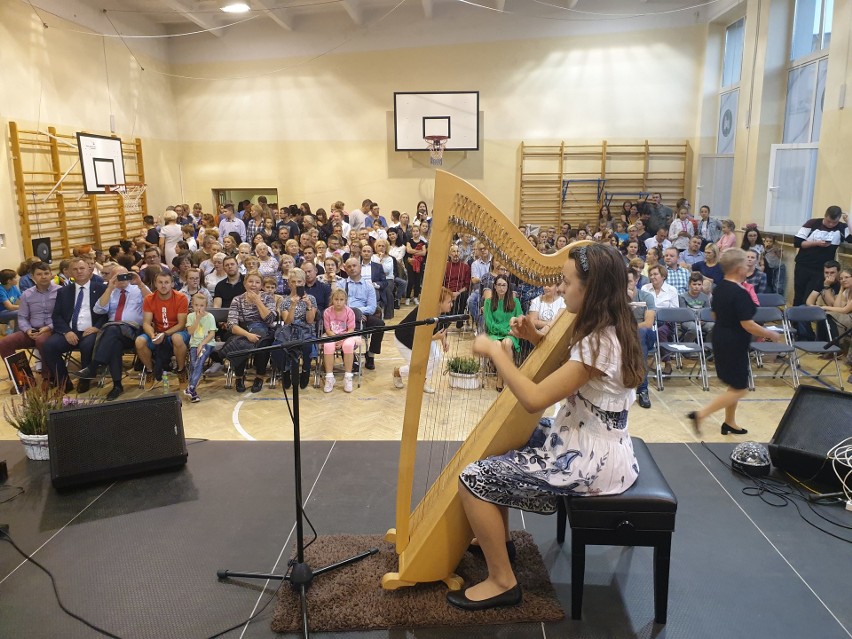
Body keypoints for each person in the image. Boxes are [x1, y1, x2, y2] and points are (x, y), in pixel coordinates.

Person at [448, 243, 644, 611]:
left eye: (568, 283)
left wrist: (495, 352)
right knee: (502, 444)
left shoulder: (598, 341)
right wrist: (534, 339)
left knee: (473, 477)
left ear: (591, 290)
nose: (562, 289)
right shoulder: (609, 323)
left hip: (591, 459)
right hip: (592, 437)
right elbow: (571, 372)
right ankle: (499, 541)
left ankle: (502, 581)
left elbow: (535, 398)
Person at [688, 249, 785, 436]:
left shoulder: (720, 288)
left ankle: (729, 422)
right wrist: (770, 334)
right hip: (733, 342)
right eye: (746, 264)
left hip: (721, 336)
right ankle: (701, 414)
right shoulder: (739, 293)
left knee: (734, 383)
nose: (749, 267)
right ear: (739, 268)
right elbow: (748, 324)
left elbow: (715, 314)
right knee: (740, 388)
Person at [75, 267, 149, 400]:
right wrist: (110, 288)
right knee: (114, 343)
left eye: (124, 275)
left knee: (112, 330)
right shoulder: (110, 291)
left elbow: (152, 301)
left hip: (132, 331)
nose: (122, 279)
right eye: (117, 276)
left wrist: (140, 283)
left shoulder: (137, 289)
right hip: (113, 333)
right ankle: (117, 386)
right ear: (111, 278)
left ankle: (94, 366)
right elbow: (98, 309)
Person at [41, 258, 109, 392]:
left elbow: (106, 314)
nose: (79, 272)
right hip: (70, 331)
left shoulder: (101, 288)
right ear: (70, 272)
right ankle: (64, 381)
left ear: (89, 270)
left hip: (91, 330)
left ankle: (85, 380)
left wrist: (96, 327)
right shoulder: (63, 291)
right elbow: (57, 315)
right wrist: (67, 331)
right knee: (48, 346)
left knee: (87, 345)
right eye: (75, 269)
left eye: (82, 268)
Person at [220, 271, 277, 393]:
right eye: (250, 281)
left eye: (257, 282)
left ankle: (259, 377)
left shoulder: (268, 298)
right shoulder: (237, 300)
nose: (253, 285)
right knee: (241, 342)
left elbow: (270, 319)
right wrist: (248, 335)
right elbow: (231, 324)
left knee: (263, 344)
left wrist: (258, 301)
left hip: (264, 330)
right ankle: (239, 377)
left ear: (261, 285)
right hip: (243, 330)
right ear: (245, 284)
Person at [392, 287, 452, 393]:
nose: (451, 305)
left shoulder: (444, 312)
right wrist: (434, 338)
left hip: (425, 338)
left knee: (436, 357)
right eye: (449, 302)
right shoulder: (424, 312)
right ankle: (398, 372)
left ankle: (422, 381)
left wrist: (444, 341)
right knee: (417, 365)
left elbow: (443, 328)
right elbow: (417, 336)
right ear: (439, 302)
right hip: (405, 339)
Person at [0, 262, 58, 365]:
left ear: (51, 274)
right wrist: (27, 330)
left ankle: (48, 376)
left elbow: (65, 316)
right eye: (39, 274)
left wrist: (49, 327)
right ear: (32, 277)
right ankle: (22, 377)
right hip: (32, 331)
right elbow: (22, 317)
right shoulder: (27, 294)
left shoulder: (60, 291)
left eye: (46, 273)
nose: (43, 277)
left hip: (53, 330)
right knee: (4, 343)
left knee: (41, 341)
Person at [272, 268, 317, 390]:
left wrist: (308, 306)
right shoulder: (285, 301)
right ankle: (285, 371)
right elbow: (287, 322)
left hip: (306, 330)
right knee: (279, 346)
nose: (296, 284)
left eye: (299, 282)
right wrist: (293, 305)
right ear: (289, 283)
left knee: (307, 346)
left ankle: (306, 370)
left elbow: (310, 321)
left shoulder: (311, 299)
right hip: (289, 331)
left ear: (303, 283)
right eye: (293, 281)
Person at [483, 275, 524, 392]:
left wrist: (512, 331)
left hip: (511, 334)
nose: (501, 288)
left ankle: (502, 379)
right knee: (497, 345)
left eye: (504, 285)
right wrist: (506, 330)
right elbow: (490, 325)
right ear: (495, 287)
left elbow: (519, 319)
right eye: (499, 285)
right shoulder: (488, 302)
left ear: (508, 287)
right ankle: (504, 379)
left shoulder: (515, 302)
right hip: (494, 334)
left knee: (506, 343)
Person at [343, 257, 384, 370]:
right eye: (349, 266)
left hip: (364, 314)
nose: (352, 268)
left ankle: (370, 354)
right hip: (344, 315)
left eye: (354, 265)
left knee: (380, 324)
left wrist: (359, 312)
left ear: (360, 267)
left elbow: (371, 308)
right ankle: (351, 357)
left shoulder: (369, 286)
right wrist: (354, 312)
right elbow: (338, 303)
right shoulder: (342, 284)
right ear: (346, 269)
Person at [628, 267, 656, 409]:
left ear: (637, 281)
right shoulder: (616, 297)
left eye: (630, 282)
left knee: (642, 334)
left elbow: (648, 323)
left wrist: (628, 328)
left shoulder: (646, 297)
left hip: (643, 334)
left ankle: (643, 389)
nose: (627, 285)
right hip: (624, 335)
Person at [183, 293, 217, 403]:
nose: (199, 308)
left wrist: (202, 344)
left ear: (206, 306)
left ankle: (191, 387)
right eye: (196, 305)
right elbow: (190, 332)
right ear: (192, 305)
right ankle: (193, 393)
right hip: (194, 344)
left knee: (200, 359)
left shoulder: (210, 317)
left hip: (207, 343)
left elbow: (212, 334)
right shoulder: (190, 316)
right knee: (194, 363)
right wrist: (197, 319)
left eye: (202, 305)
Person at [322, 288, 357, 393]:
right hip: (332, 335)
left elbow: (351, 329)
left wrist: (341, 340)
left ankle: (348, 377)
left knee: (348, 346)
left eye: (341, 300)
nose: (338, 302)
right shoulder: (327, 312)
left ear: (345, 300)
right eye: (336, 299)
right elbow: (327, 329)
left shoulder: (349, 312)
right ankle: (329, 377)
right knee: (328, 346)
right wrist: (335, 339)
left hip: (346, 335)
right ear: (332, 299)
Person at [444, 245, 471, 329]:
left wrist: (458, 293)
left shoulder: (466, 267)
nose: (456, 254)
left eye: (458, 251)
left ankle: (459, 319)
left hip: (460, 292)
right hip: (447, 291)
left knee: (464, 295)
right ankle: (448, 318)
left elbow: (467, 285)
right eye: (453, 251)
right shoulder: (445, 266)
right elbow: (442, 284)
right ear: (449, 254)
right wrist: (450, 293)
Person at [404, 224, 428, 305]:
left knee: (418, 281)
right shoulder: (409, 241)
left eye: (417, 231)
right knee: (411, 281)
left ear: (419, 232)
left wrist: (414, 251)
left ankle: (415, 297)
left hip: (419, 264)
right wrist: (419, 252)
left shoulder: (422, 242)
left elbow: (424, 253)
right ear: (412, 232)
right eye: (413, 231)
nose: (415, 233)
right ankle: (407, 297)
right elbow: (408, 251)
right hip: (411, 263)